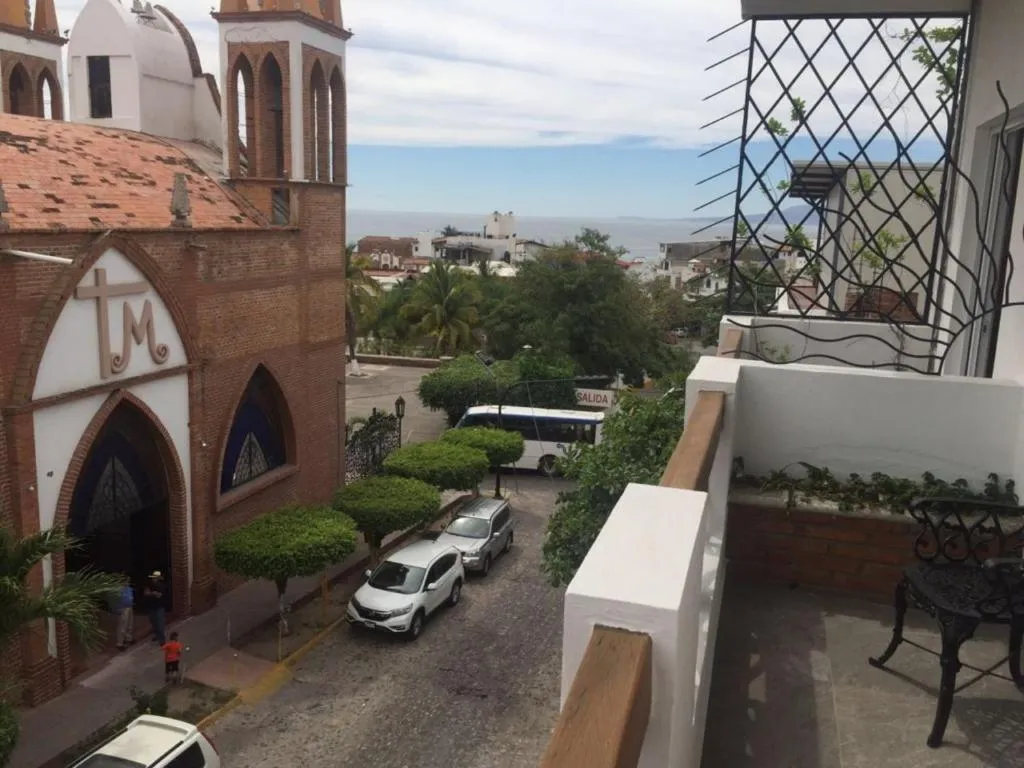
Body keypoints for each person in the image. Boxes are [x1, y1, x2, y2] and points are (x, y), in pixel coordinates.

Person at [143, 571, 166, 645]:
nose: (154, 579)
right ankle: (157, 635)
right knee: (154, 623)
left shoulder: (161, 585)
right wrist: (153, 593)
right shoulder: (149, 585)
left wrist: (151, 593)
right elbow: (145, 593)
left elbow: (159, 595)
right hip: (151, 607)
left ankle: (162, 640)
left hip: (159, 607)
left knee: (160, 624)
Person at [115, 578, 134, 651]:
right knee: (122, 626)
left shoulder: (129, 588)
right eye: (126, 581)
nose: (127, 582)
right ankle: (120, 643)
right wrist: (118, 609)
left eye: (128, 581)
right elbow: (115, 600)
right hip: (123, 608)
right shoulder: (118, 589)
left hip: (130, 607)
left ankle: (128, 639)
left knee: (130, 624)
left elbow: (130, 597)